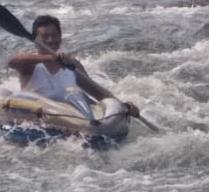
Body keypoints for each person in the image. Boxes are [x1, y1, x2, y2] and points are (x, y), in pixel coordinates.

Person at [7, 15, 140, 117]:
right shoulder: (29, 65)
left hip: (68, 117)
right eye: (45, 36)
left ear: (60, 38)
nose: (51, 40)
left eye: (54, 35)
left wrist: (122, 106)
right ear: (36, 41)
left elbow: (96, 92)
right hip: (36, 116)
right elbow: (12, 61)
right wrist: (48, 58)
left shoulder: (71, 64)